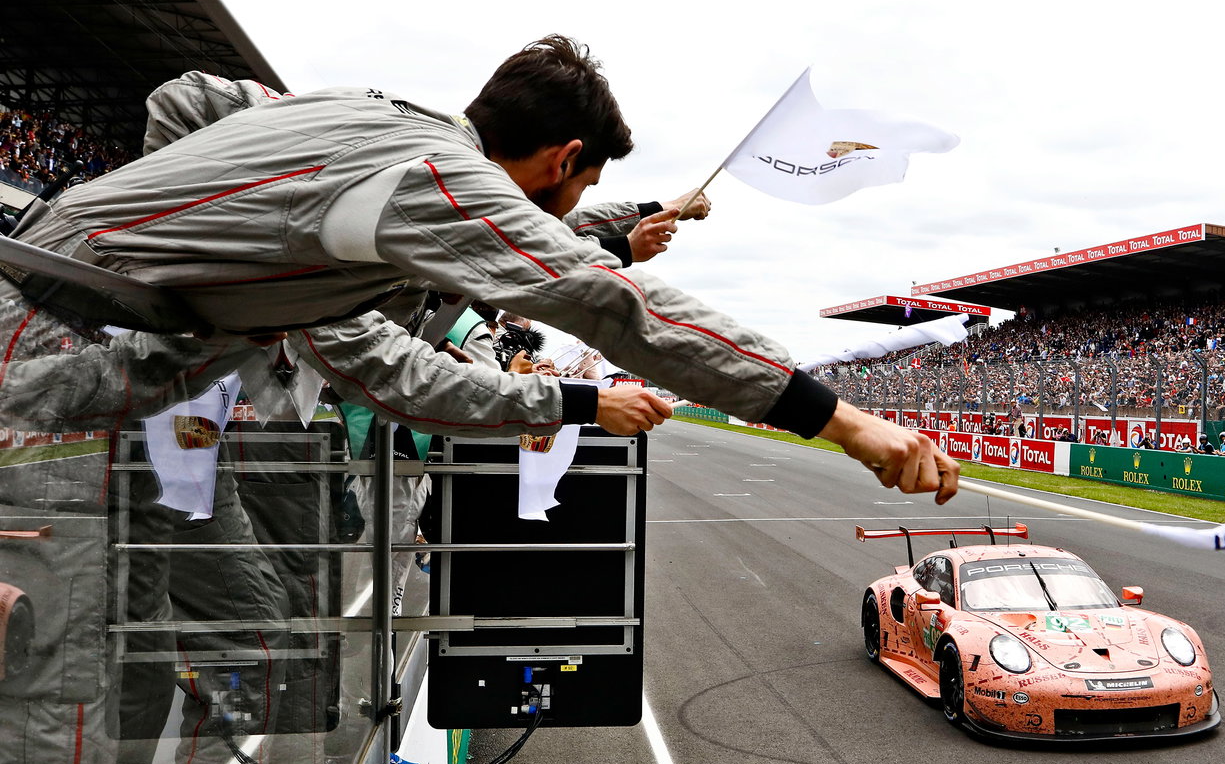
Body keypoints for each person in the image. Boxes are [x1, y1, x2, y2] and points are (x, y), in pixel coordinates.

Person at [11, 36, 956, 502]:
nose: (575, 208)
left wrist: (199, 260)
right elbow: (600, 301)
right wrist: (836, 418)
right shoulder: (437, 176)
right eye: (584, 189)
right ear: (561, 159)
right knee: (55, 717)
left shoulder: (352, 112)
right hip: (50, 340)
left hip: (56, 323)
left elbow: (187, 101)